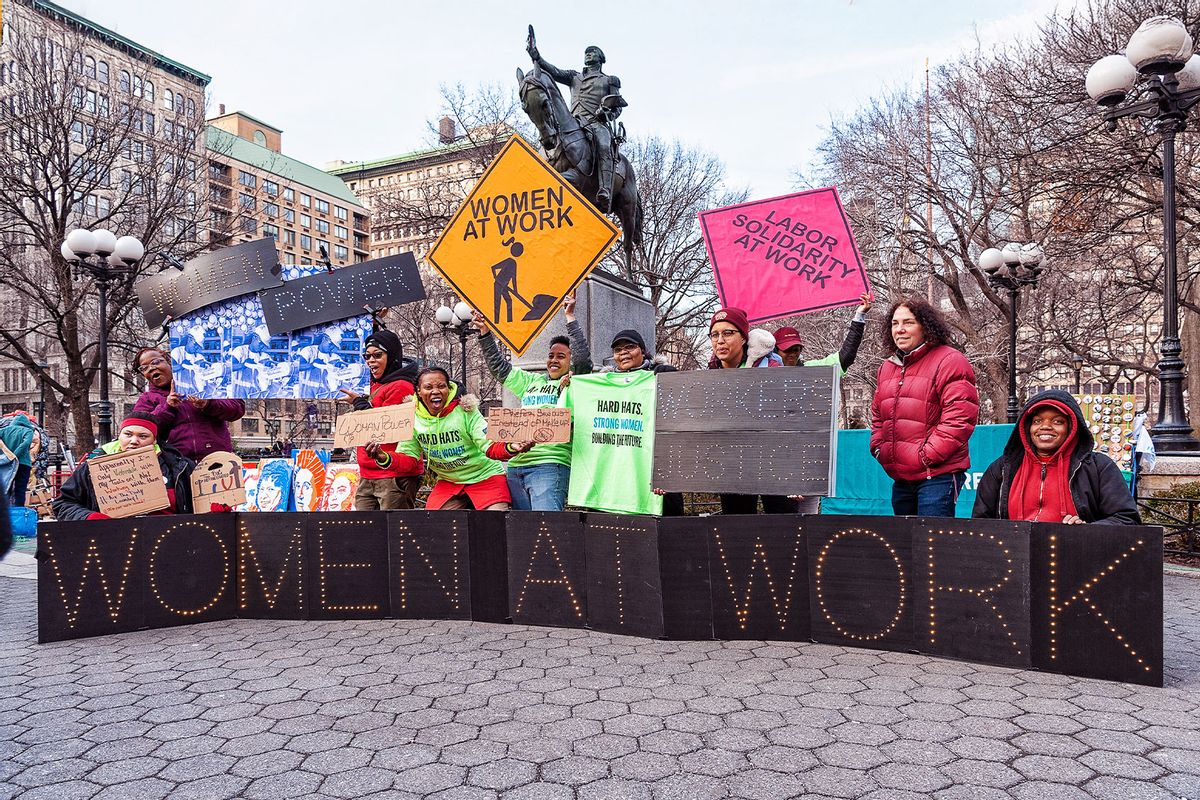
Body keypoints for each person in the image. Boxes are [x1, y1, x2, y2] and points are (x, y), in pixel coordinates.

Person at [474, 296, 592, 511]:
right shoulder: (531, 381)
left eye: (561, 356)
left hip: (549, 465)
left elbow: (583, 359)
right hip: (516, 465)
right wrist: (484, 333)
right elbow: (499, 368)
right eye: (550, 356)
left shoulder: (576, 384)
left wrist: (569, 317)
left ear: (570, 361)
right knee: (523, 532)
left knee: (545, 530)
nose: (554, 360)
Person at [870, 298, 979, 517]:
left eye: (908, 323)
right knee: (904, 547)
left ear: (926, 326)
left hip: (937, 476)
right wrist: (880, 449)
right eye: (894, 323)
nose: (899, 329)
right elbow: (878, 417)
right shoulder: (887, 368)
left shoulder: (950, 360)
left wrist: (925, 456)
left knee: (932, 547)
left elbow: (959, 418)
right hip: (901, 478)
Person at [973, 391, 1141, 524]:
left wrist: (1088, 530)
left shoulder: (1099, 467)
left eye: (1057, 421)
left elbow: (1126, 518)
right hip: (1014, 559)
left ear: (1071, 427)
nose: (1045, 427)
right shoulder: (1003, 468)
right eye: (1037, 421)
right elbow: (980, 522)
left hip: (1075, 558)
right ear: (1027, 427)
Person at [705, 308, 806, 515]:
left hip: (776, 465)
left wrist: (796, 473)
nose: (720, 340)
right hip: (733, 468)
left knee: (784, 533)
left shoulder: (773, 372)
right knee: (738, 535)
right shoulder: (708, 378)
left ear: (743, 338)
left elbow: (794, 422)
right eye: (715, 334)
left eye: (728, 333)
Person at [395, 368, 533, 510]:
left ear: (448, 389)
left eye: (441, 386)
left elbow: (490, 446)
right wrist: (382, 457)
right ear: (418, 391)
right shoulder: (412, 416)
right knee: (434, 524)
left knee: (494, 521)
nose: (435, 391)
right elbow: (408, 459)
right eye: (428, 387)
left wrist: (510, 447)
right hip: (449, 482)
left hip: (485, 477)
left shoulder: (467, 411)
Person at [527, 30, 626, 212]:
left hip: (596, 122)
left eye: (593, 51)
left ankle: (604, 189)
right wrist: (536, 56)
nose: (589, 54)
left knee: (604, 146)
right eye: (587, 52)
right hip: (575, 121)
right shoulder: (574, 76)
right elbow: (553, 70)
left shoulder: (609, 80)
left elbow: (617, 106)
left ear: (601, 58)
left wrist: (607, 115)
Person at [338, 330, 425, 510]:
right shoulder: (377, 385)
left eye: (377, 355)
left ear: (391, 356)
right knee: (366, 533)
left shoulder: (401, 386)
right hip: (369, 473)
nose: (371, 360)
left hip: (393, 475)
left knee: (393, 533)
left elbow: (385, 427)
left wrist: (359, 404)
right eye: (367, 356)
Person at [54, 413, 195, 521]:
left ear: (154, 441)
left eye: (143, 436)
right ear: (119, 436)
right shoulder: (93, 466)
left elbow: (198, 502)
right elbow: (63, 504)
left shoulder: (179, 467)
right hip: (113, 543)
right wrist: (89, 517)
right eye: (128, 434)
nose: (134, 441)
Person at [605, 329, 685, 516]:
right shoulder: (605, 384)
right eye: (617, 349)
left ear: (642, 350)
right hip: (620, 468)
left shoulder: (660, 376)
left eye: (630, 347)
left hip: (659, 463)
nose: (623, 352)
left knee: (667, 528)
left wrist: (671, 376)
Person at [131, 347, 245, 463]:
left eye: (156, 362)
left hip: (217, 460)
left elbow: (237, 408)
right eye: (144, 368)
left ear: (169, 361)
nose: (151, 368)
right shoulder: (146, 399)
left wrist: (208, 403)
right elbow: (140, 431)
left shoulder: (205, 383)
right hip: (178, 466)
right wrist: (167, 407)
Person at [774, 293, 873, 371]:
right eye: (786, 349)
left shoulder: (811, 370)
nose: (792, 354)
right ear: (775, 351)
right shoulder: (762, 372)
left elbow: (845, 358)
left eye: (796, 349)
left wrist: (860, 315)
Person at [0, 413, 38, 507]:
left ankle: (6, 513)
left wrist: (8, 456)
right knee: (20, 490)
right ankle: (18, 513)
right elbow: (26, 443)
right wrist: (15, 455)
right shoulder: (28, 431)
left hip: (6, 464)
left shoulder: (3, 431)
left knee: (5, 488)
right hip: (23, 463)